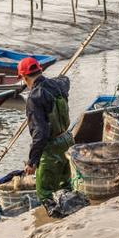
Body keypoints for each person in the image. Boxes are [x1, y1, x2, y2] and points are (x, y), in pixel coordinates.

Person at [18, 57, 73, 203]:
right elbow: (65, 79)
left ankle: (55, 221)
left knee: (46, 193)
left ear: (24, 77)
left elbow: (40, 134)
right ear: (40, 70)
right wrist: (51, 80)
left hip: (51, 149)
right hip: (67, 141)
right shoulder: (58, 84)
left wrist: (32, 162)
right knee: (66, 185)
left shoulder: (34, 98)